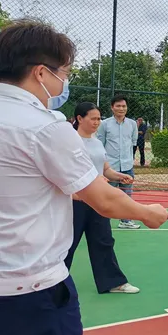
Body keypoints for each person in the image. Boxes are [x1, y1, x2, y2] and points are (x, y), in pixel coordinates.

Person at [0, 19, 168, 335]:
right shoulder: (45, 127)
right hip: (31, 294)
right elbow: (104, 199)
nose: (64, 82)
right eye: (64, 73)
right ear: (41, 73)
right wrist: (147, 213)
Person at [66, 102, 139, 294]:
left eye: (99, 118)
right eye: (93, 118)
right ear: (79, 118)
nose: (97, 122)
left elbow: (105, 169)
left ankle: (113, 282)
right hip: (75, 202)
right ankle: (53, 284)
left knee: (103, 240)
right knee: (66, 244)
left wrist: (119, 176)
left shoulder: (97, 142)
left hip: (97, 201)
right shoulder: (70, 141)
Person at [98, 95, 140, 229]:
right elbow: (100, 144)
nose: (121, 109)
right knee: (106, 196)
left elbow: (133, 143)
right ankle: (101, 222)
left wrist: (130, 160)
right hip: (110, 168)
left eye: (124, 106)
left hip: (127, 166)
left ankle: (126, 221)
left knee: (127, 196)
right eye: (118, 106)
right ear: (112, 107)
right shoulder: (104, 124)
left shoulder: (132, 124)